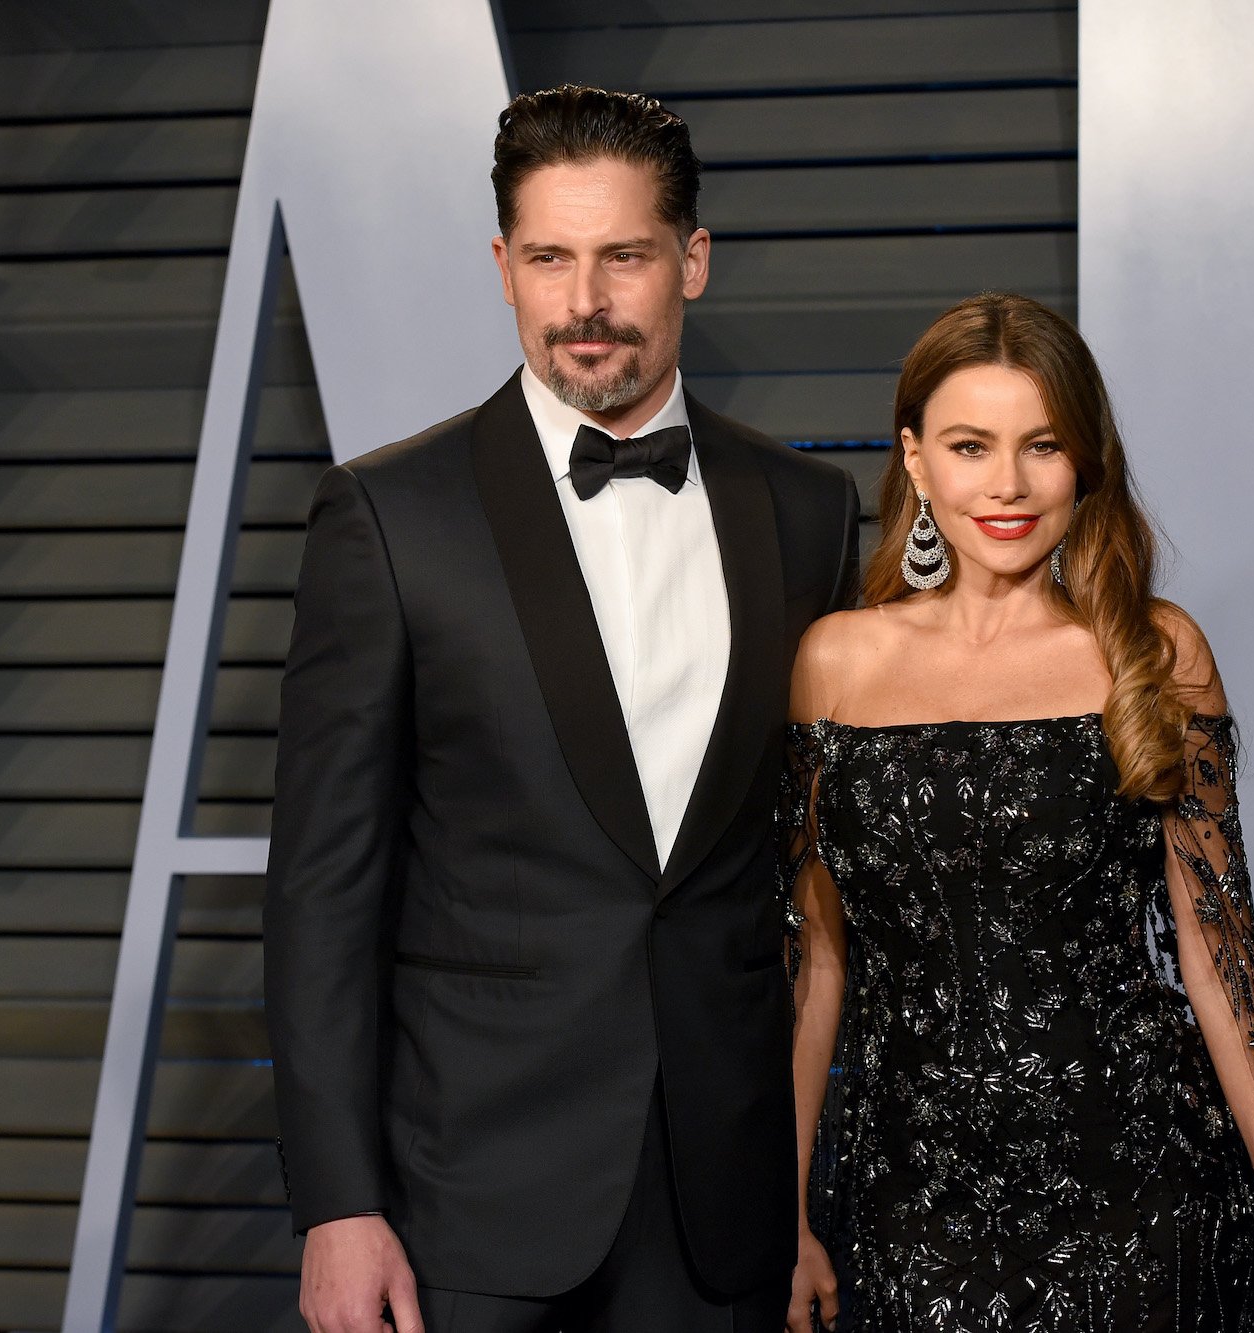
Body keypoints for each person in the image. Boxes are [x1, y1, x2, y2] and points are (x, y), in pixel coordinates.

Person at [264, 85, 860, 1333]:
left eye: (622, 256)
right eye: (548, 257)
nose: (583, 300)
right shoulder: (388, 517)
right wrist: (337, 1204)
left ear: (691, 261)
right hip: (467, 1209)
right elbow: (324, 890)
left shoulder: (805, 513)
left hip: (728, 1206)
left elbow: (813, 880)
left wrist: (813, 1194)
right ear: (503, 267)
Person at [781, 293, 1254, 1333]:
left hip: (1142, 1199)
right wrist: (783, 1216)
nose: (1005, 484)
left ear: (1083, 463)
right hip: (896, 1204)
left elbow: (1218, 950)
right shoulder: (832, 660)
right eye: (970, 446)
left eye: (1041, 446)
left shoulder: (1156, 651)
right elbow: (812, 958)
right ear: (914, 460)